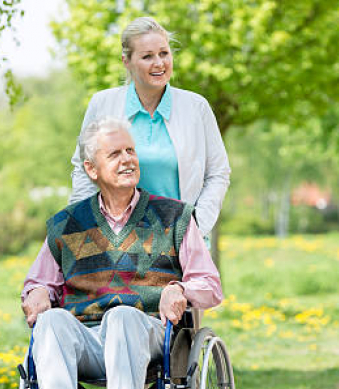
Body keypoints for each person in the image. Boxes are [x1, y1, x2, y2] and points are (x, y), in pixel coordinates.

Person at [21, 116, 222, 389]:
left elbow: (209, 283)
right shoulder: (67, 224)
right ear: (91, 169)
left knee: (122, 317)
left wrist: (180, 289)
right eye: (115, 154)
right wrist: (35, 293)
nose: (128, 159)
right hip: (86, 341)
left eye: (131, 150)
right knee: (50, 321)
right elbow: (39, 282)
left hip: (144, 334)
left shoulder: (172, 216)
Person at [69, 16, 230, 239]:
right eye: (147, 56)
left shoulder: (196, 108)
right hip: (117, 244)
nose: (159, 63)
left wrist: (195, 226)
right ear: (127, 61)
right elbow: (83, 169)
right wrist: (86, 228)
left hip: (181, 243)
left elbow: (218, 173)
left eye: (164, 53)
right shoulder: (102, 104)